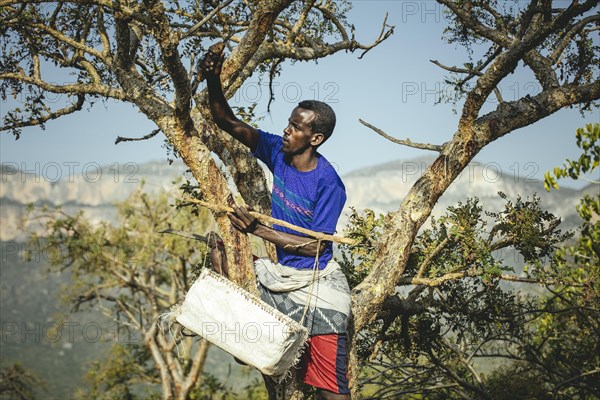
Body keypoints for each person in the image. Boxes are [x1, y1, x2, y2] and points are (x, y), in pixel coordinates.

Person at [201, 46, 351, 400]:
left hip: (316, 284)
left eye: (296, 128)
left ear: (315, 139)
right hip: (282, 277)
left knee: (331, 390)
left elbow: (317, 246)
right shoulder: (277, 153)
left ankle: (259, 340)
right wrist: (212, 77)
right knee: (220, 253)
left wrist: (259, 231)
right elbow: (226, 120)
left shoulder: (328, 182)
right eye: (289, 123)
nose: (286, 130)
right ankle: (250, 344)